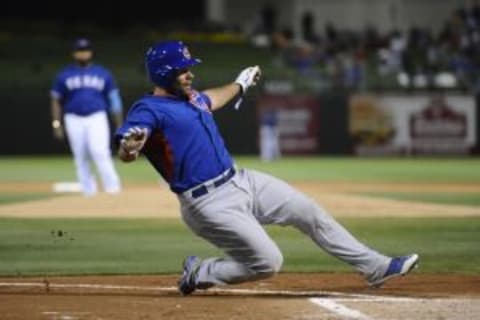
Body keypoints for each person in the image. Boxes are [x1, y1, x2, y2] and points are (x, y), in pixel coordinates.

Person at [116, 40, 419, 295]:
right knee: (268, 263)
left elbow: (213, 98)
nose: (190, 74)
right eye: (183, 70)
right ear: (164, 73)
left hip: (243, 180)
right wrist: (130, 147)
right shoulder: (148, 109)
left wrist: (240, 83)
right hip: (207, 203)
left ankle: (375, 267)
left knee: (308, 211)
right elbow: (128, 148)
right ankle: (201, 271)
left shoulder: (192, 98)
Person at [50, 38, 122, 196]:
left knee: (100, 152)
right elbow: (56, 100)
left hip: (97, 116)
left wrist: (119, 123)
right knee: (80, 155)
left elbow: (114, 99)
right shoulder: (64, 75)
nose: (83, 53)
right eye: (79, 50)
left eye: (85, 50)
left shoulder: (103, 73)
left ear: (91, 52)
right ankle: (88, 192)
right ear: (74, 53)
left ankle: (113, 189)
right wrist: (56, 123)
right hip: (72, 118)